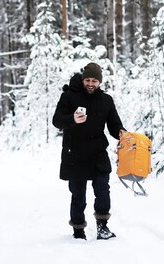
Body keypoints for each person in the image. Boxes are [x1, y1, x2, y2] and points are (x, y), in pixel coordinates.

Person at [52, 62, 126, 240]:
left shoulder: (106, 100)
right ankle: (78, 230)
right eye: (88, 80)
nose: (91, 83)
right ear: (83, 79)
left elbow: (114, 124)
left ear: (100, 82)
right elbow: (57, 120)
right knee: (78, 195)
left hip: (98, 152)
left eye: (94, 80)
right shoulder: (69, 96)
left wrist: (121, 132)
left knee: (103, 191)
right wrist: (72, 119)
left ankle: (102, 227)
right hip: (74, 152)